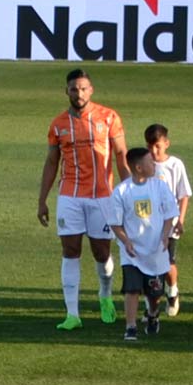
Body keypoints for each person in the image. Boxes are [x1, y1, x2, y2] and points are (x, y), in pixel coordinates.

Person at [37, 68, 129, 331]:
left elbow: (121, 155)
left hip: (103, 196)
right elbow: (52, 162)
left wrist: (130, 192)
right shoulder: (58, 124)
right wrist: (42, 199)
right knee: (70, 250)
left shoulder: (109, 117)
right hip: (69, 196)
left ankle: (105, 294)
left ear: (92, 90)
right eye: (74, 89)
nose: (79, 93)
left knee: (102, 252)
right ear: (66, 91)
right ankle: (72, 313)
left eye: (83, 88)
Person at [109, 148, 178, 341]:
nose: (154, 164)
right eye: (150, 162)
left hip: (156, 250)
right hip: (132, 252)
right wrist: (126, 241)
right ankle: (130, 327)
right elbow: (115, 222)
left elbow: (170, 213)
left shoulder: (160, 187)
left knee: (154, 292)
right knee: (131, 289)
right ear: (139, 168)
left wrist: (166, 235)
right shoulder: (121, 191)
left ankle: (153, 314)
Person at [145, 123, 192, 318]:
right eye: (150, 146)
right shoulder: (145, 164)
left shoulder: (175, 165)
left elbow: (183, 195)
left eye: (157, 146)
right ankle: (151, 305)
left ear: (166, 143)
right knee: (148, 266)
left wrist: (180, 220)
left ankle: (172, 291)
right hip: (148, 224)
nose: (153, 151)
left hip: (169, 223)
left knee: (167, 262)